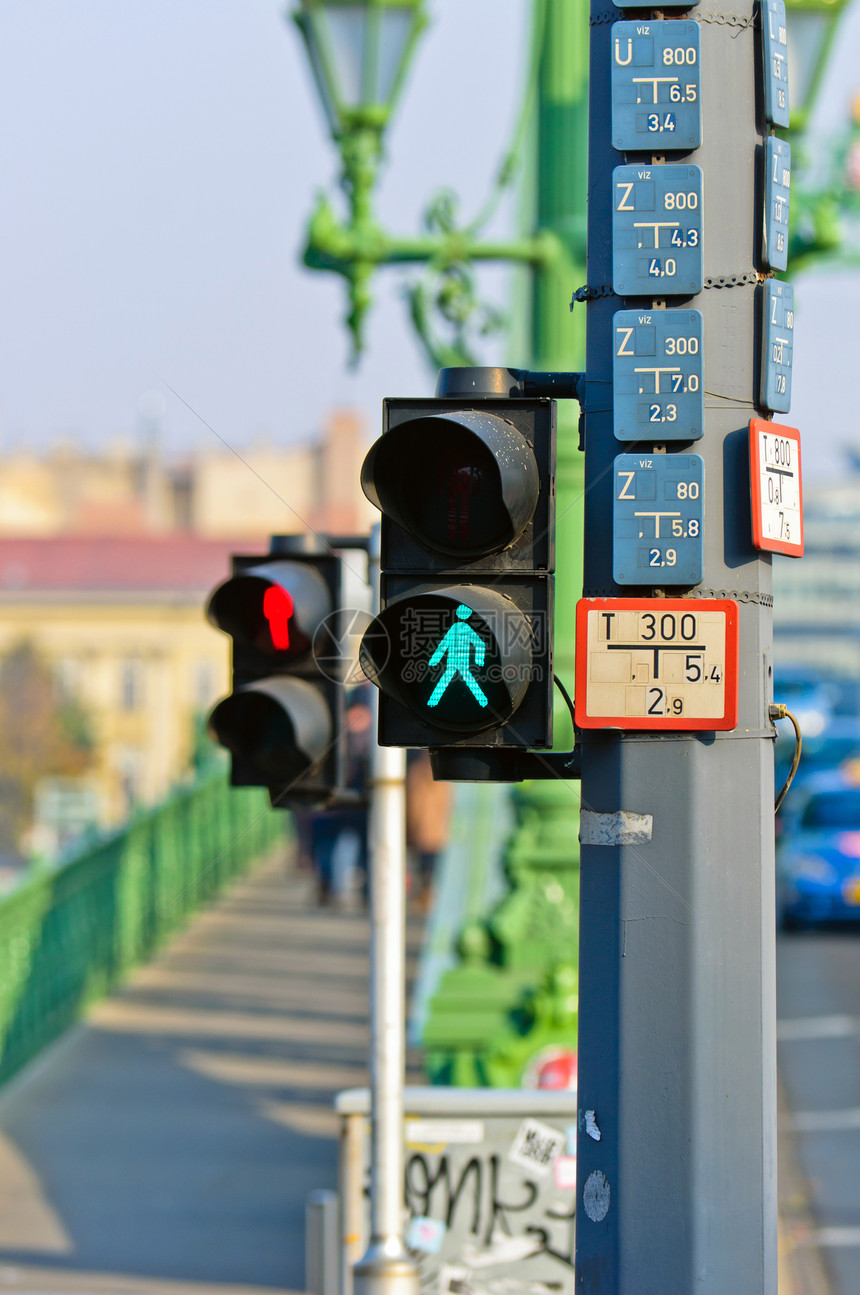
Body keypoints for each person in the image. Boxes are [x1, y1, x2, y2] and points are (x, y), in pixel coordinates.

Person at [405, 751, 452, 912]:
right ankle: (424, 895)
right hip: (429, 827)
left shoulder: (418, 769)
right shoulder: (429, 770)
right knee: (425, 865)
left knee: (426, 865)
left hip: (428, 827)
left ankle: (426, 895)